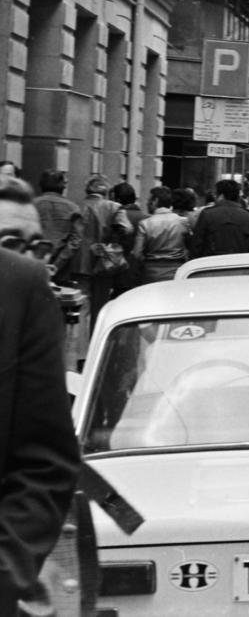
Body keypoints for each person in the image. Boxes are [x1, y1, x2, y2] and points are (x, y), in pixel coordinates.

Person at [0, 175, 81, 614]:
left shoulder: (19, 292)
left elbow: (45, 462)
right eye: (13, 241)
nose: (32, 260)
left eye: (38, 248)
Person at [79, 175, 134, 326]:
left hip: (80, 263)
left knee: (82, 307)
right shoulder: (114, 207)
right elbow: (127, 229)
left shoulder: (77, 205)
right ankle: (96, 343)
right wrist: (113, 243)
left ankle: (81, 347)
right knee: (100, 308)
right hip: (104, 262)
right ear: (106, 191)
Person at [190, 179, 249, 258]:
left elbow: (197, 245)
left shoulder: (207, 214)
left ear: (221, 195)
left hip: (212, 265)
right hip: (241, 264)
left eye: (215, 194)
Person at [132, 187, 190, 284]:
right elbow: (189, 245)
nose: (146, 203)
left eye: (148, 200)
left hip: (151, 272)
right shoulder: (182, 221)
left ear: (155, 201)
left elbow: (137, 254)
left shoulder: (145, 223)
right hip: (176, 271)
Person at [31, 172, 79, 282]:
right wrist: (57, 264)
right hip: (61, 267)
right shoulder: (73, 208)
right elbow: (75, 241)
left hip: (34, 262)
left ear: (41, 185)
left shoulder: (31, 205)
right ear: (62, 186)